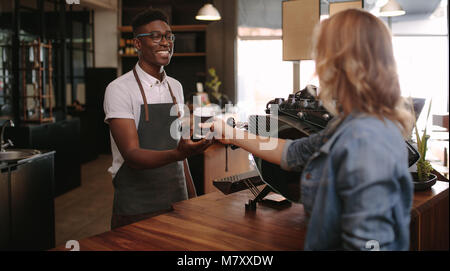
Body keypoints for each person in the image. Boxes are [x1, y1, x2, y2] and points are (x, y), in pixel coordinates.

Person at [209, 9, 414, 250]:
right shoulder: (352, 124)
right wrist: (230, 132)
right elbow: (295, 153)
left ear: (339, 64)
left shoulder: (365, 139)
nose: (317, 67)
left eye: (321, 54)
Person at [104, 8, 212, 229]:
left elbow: (182, 152)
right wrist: (178, 153)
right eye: (155, 36)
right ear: (137, 44)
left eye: (169, 36)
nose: (166, 42)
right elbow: (132, 155)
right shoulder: (119, 89)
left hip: (177, 201)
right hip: (137, 206)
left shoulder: (176, 87)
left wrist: (193, 199)